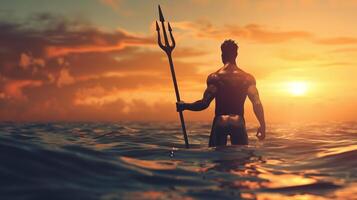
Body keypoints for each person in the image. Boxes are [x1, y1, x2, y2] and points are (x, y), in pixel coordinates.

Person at [176, 39, 266, 147]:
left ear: (222, 55)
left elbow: (204, 104)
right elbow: (256, 103)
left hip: (220, 121)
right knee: (241, 160)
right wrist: (262, 125)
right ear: (236, 55)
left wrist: (184, 106)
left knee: (216, 160)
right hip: (238, 122)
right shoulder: (247, 78)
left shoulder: (215, 77)